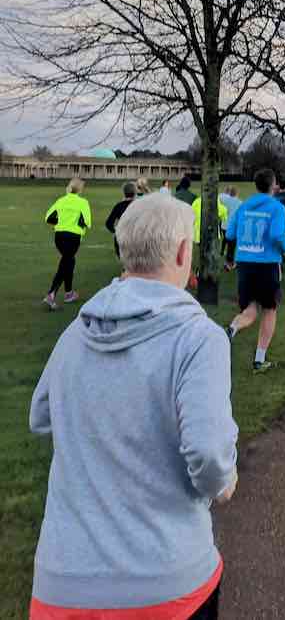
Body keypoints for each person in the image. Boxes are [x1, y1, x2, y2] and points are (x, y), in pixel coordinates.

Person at [29, 194, 238, 620]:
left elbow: (41, 414)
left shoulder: (78, 332)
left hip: (63, 583)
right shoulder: (199, 338)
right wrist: (223, 481)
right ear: (183, 252)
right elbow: (209, 454)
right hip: (163, 579)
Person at [225, 169, 285, 372]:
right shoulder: (277, 207)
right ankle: (259, 359)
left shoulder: (244, 205)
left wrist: (231, 257)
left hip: (245, 264)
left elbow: (230, 233)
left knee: (251, 309)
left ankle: (233, 328)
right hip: (267, 264)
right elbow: (276, 235)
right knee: (270, 309)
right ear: (273, 185)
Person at [43, 178, 92, 310]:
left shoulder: (61, 200)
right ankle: (51, 294)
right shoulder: (83, 202)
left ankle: (69, 293)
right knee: (67, 262)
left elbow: (48, 217)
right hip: (73, 237)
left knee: (69, 261)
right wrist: (77, 225)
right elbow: (87, 221)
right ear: (80, 189)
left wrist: (61, 223)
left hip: (59, 236)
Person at [105, 181, 136, 260]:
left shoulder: (119, 206)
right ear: (135, 192)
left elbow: (108, 224)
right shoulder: (139, 205)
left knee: (124, 260)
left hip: (121, 237)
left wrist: (115, 232)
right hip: (135, 237)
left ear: (124, 193)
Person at [219, 186, 241, 268]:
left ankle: (229, 262)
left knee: (229, 245)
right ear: (236, 193)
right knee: (232, 246)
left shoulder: (224, 200)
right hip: (233, 227)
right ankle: (229, 263)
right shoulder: (239, 202)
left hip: (224, 226)